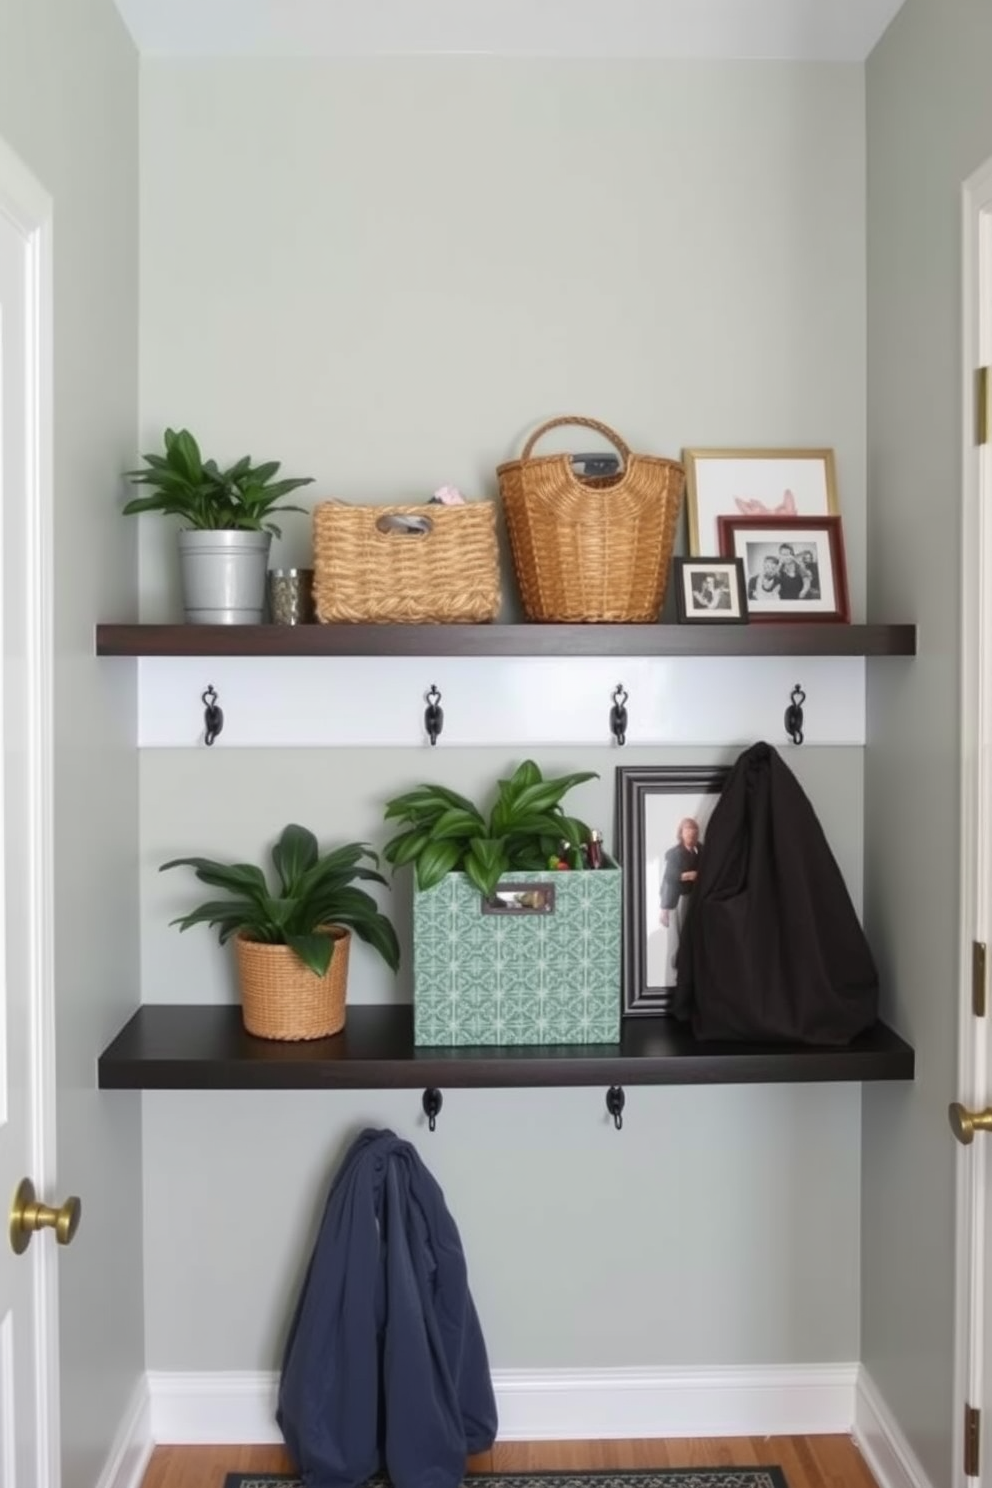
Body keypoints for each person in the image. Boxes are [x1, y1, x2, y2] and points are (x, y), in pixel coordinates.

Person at [659, 817, 703, 974]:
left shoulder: (703, 851)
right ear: (681, 833)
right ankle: (681, 966)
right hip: (683, 898)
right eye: (687, 829)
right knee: (681, 934)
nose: (691, 833)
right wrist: (664, 908)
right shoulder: (674, 854)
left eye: (694, 830)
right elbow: (669, 878)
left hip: (701, 899)